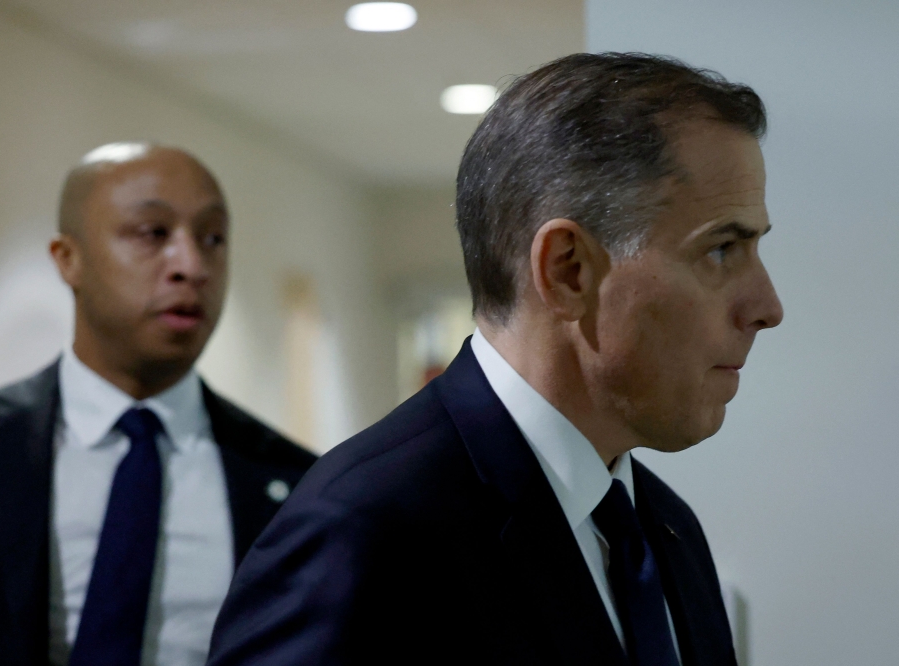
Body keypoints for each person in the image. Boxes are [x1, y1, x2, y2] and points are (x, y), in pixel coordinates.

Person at [206, 53, 783, 666]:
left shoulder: (664, 529)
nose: (767, 306)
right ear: (568, 270)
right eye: (722, 250)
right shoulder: (365, 531)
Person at [0, 142, 316, 666]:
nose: (191, 265)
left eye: (213, 238)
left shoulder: (297, 486)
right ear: (68, 259)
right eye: (153, 234)